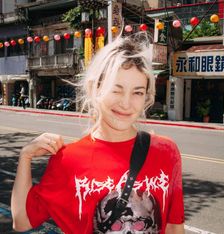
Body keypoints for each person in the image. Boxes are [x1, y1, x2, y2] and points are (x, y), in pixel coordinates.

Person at [11, 33, 185, 234]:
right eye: (116, 89)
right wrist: (25, 156)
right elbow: (21, 220)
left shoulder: (165, 151)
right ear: (95, 88)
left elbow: (174, 226)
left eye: (137, 92)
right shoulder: (67, 160)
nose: (126, 103)